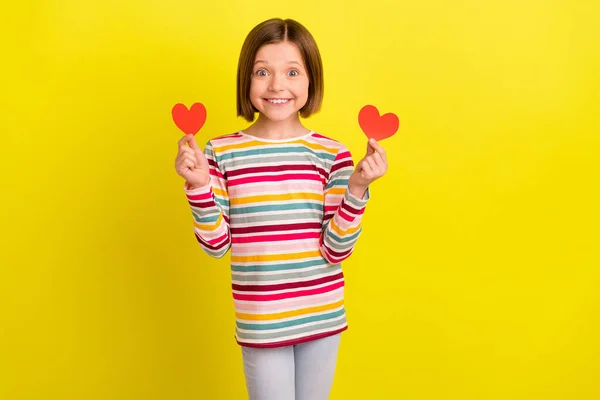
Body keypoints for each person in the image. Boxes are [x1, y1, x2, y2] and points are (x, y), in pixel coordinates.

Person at [174, 17, 388, 400]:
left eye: (292, 72)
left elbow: (335, 250)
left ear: (311, 81)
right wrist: (199, 185)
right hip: (262, 322)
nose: (277, 85)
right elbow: (216, 246)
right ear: (247, 79)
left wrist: (357, 189)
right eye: (262, 72)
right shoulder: (221, 152)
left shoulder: (332, 154)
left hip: (322, 316)